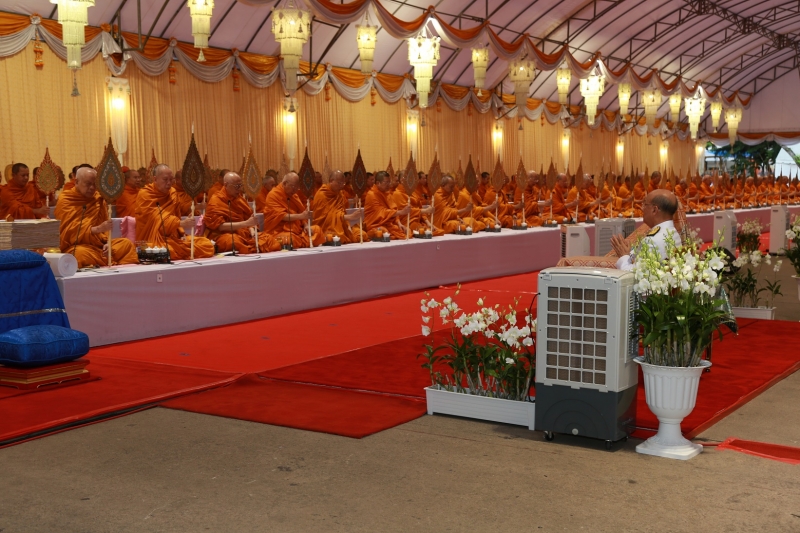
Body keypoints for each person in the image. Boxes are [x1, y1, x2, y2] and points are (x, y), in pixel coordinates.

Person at [55, 167, 139, 268]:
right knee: (78, 254)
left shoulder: (98, 199)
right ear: (76, 182)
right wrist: (96, 229)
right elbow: (68, 232)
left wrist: (108, 242)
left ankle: (105, 262)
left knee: (126, 244)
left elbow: (105, 228)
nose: (92, 188)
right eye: (88, 184)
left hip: (99, 246)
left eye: (95, 184)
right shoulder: (66, 199)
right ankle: (106, 260)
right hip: (79, 246)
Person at [135, 164, 215, 259]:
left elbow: (177, 215)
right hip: (152, 239)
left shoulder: (172, 193)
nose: (169, 183)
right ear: (155, 179)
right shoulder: (145, 194)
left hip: (173, 238)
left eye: (171, 179)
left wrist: (181, 230)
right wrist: (180, 223)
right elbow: (156, 219)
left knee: (206, 244)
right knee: (167, 251)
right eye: (165, 179)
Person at [204, 172, 280, 254]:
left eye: (240, 186)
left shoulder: (240, 199)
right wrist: (245, 224)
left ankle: (251, 247)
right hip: (223, 235)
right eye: (236, 186)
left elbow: (249, 219)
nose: (239, 189)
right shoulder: (216, 200)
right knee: (232, 241)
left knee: (269, 240)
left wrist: (252, 231)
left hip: (244, 234)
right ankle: (248, 248)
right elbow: (220, 227)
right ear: (225, 185)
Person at [611, 190, 681, 271]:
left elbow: (634, 274)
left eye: (645, 204)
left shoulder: (653, 240)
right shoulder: (674, 233)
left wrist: (623, 256)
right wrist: (630, 254)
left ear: (654, 210)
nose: (642, 208)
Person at [262, 172, 325, 248]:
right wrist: (300, 216)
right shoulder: (273, 195)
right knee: (290, 239)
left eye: (297, 188)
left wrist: (306, 226)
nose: (295, 190)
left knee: (317, 230)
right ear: (285, 183)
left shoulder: (294, 195)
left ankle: (302, 241)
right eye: (293, 187)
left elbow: (301, 212)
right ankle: (303, 241)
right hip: (278, 232)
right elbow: (282, 216)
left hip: (297, 230)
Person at [311, 170, 365, 243]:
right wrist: (349, 217)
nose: (341, 185)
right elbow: (327, 216)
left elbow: (341, 210)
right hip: (326, 228)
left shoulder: (340, 194)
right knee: (339, 237)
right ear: (331, 181)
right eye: (339, 183)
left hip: (341, 226)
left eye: (343, 183)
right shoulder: (322, 194)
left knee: (362, 235)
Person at [390, 170, 443, 235]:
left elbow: (419, 208)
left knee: (436, 231)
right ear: (402, 180)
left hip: (418, 220)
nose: (413, 182)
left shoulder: (414, 193)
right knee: (426, 232)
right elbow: (406, 211)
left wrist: (428, 223)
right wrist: (425, 211)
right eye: (410, 179)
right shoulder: (397, 194)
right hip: (407, 222)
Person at [363, 171, 411, 239]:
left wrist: (399, 224)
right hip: (374, 225)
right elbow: (381, 212)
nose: (389, 185)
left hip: (388, 224)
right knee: (384, 232)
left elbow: (393, 209)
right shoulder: (371, 195)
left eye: (389, 182)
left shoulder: (388, 194)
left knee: (407, 231)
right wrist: (401, 212)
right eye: (386, 182)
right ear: (378, 183)